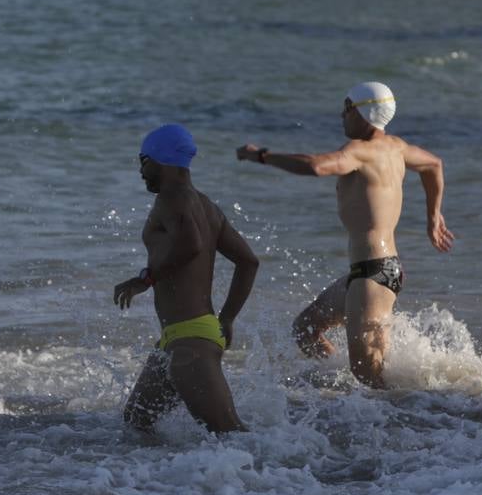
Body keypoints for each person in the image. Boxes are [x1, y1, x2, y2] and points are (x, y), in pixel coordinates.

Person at [236, 81, 454, 388]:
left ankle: (412, 422)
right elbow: (434, 164)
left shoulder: (360, 152)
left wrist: (260, 155)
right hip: (370, 272)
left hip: (373, 276)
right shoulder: (397, 146)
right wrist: (433, 216)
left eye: (345, 108)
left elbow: (315, 166)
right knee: (307, 329)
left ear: (360, 112)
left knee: (371, 380)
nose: (341, 116)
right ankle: (351, 398)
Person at [114, 124, 259, 434]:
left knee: (230, 435)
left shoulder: (172, 198)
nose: (140, 170)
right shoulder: (207, 206)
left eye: (143, 159)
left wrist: (146, 278)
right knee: (137, 423)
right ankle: (160, 484)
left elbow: (190, 244)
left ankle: (298, 476)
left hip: (190, 342)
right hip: (180, 338)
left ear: (160, 159)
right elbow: (248, 261)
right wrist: (228, 319)